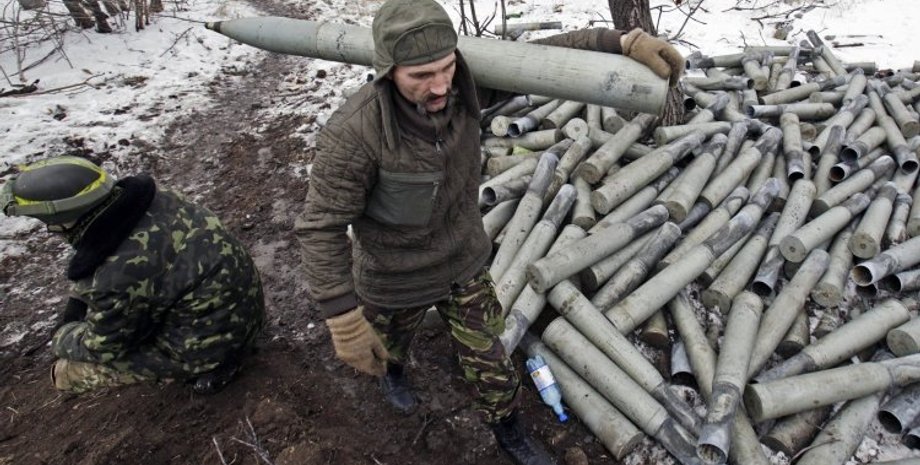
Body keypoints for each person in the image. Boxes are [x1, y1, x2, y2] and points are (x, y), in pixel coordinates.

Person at [294, 1, 683, 464]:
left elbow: (544, 58)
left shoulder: (465, 85)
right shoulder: (355, 134)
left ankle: (507, 427)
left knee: (491, 360)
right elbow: (321, 226)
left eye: (445, 69)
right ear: (387, 72)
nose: (440, 87)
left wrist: (623, 42)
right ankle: (394, 371)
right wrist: (342, 317)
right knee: (388, 343)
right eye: (420, 76)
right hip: (393, 273)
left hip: (462, 260)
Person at [1, 156, 264, 395]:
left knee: (65, 373)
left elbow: (104, 346)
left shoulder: (116, 275)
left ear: (65, 219)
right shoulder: (160, 200)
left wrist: (63, 335)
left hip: (213, 346)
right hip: (244, 312)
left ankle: (210, 367)